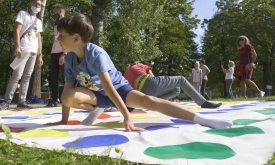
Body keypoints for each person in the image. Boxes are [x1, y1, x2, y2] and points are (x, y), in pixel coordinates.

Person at [46, 13, 232, 131]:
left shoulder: (96, 54)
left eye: (61, 35)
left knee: (149, 101)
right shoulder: (69, 58)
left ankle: (203, 120)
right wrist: (64, 121)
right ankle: (98, 109)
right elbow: (67, 90)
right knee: (68, 96)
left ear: (76, 38)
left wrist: (127, 116)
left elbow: (110, 88)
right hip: (97, 95)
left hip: (118, 89)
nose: (58, 39)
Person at [0, 0, 43, 110]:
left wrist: (40, 55)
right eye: (36, 4)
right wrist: (17, 47)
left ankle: (22, 101)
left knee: (27, 77)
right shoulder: (23, 14)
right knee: (16, 76)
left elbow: (39, 38)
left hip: (33, 51)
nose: (38, 7)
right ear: (30, 4)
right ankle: (7, 101)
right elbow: (17, 30)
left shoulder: (38, 21)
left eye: (40, 5)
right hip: (23, 49)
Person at [123, 62, 221, 108]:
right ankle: (203, 102)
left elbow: (127, 90)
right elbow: (151, 75)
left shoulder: (125, 75)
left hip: (143, 93)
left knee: (177, 90)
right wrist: (158, 84)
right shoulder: (138, 65)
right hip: (150, 82)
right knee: (181, 80)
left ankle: (156, 104)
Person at [45, 4, 67, 107]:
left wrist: (65, 53)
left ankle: (66, 99)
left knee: (65, 77)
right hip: (54, 52)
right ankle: (54, 99)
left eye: (55, 12)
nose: (54, 14)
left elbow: (68, 40)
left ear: (61, 11)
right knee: (54, 77)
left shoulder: (67, 24)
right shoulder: (55, 26)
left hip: (63, 53)